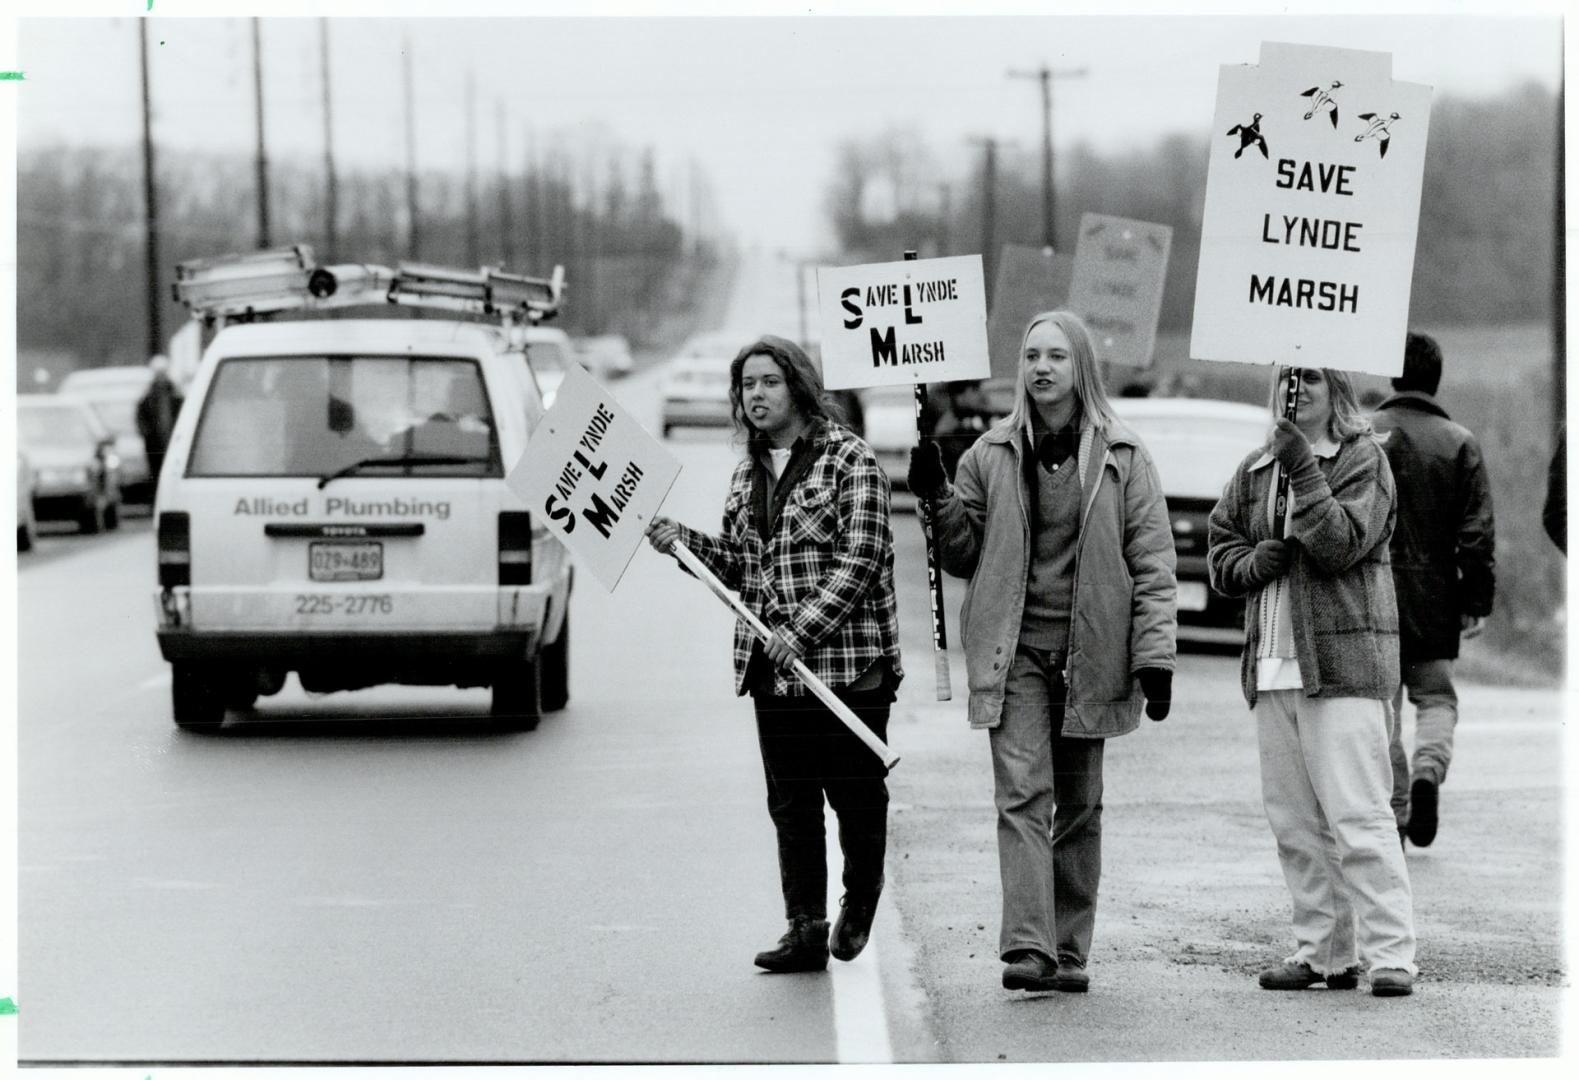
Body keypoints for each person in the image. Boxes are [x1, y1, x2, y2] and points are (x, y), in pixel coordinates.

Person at [906, 310, 1177, 994]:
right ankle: (1028, 946)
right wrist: (935, 495)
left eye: (1055, 355)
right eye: (1030, 356)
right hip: (1015, 652)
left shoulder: (1123, 457)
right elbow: (962, 554)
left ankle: (1068, 946)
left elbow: (1151, 563)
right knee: (1023, 795)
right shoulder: (989, 455)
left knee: (1080, 807)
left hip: (1093, 654)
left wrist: (1156, 658)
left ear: (1080, 366)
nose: (1040, 368)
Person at [644, 334, 903, 974]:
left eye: (768, 382)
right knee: (791, 804)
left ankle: (861, 895)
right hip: (774, 673)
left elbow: (861, 558)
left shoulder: (850, 460)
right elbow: (740, 564)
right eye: (746, 386)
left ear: (799, 387)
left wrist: (802, 631)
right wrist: (684, 543)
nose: (755, 396)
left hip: (848, 668)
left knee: (854, 796)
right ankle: (804, 929)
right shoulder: (745, 473)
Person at [1207, 365, 1417, 998]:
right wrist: (1247, 563)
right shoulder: (1252, 469)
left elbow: (1341, 544)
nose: (1295, 392)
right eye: (1287, 380)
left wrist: (1303, 467)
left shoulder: (1362, 462)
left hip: (1344, 668)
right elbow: (1220, 548)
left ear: (1338, 394)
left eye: (1311, 382)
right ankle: (1324, 952)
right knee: (1295, 824)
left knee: (1358, 816)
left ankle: (1391, 955)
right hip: (1273, 664)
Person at [1371, 333, 1496, 849]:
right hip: (1435, 600)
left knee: (1383, 710)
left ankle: (1398, 810)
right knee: (1436, 699)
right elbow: (1477, 533)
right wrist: (1476, 601)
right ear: (1436, 379)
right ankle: (1428, 773)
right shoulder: (1459, 441)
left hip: (1371, 598)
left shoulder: (1364, 434)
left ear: (1393, 375)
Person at [135, 354, 183, 499]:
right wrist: (147, 434)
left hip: (173, 442)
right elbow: (140, 418)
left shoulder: (176, 395)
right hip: (154, 445)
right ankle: (156, 499)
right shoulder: (148, 397)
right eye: (158, 373)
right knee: (155, 474)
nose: (161, 377)